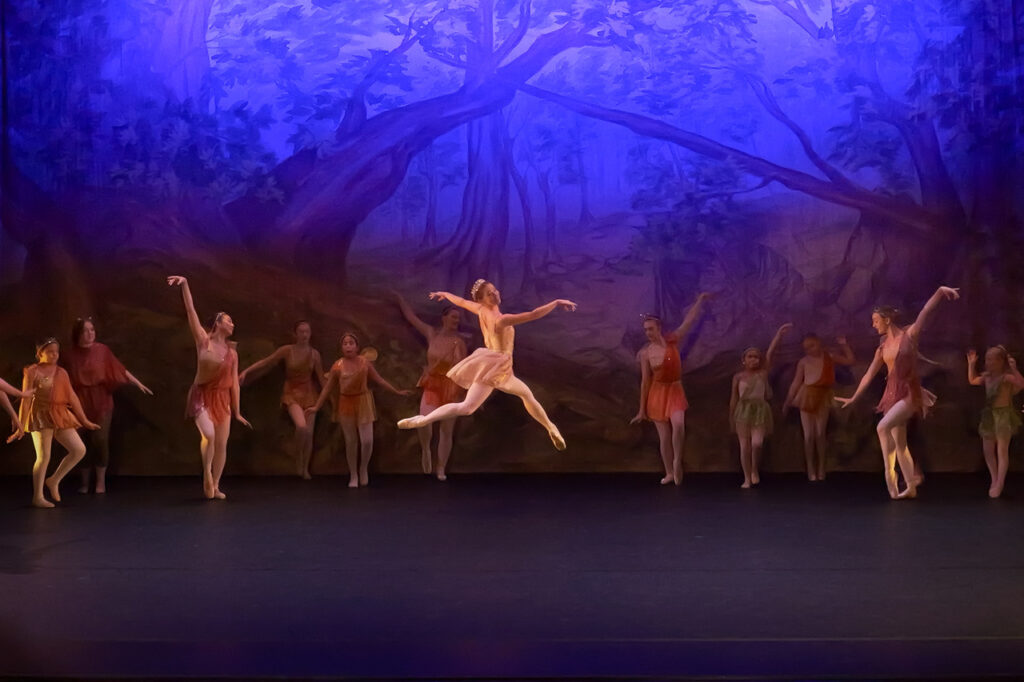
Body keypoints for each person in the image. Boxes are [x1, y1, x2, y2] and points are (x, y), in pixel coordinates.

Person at [396, 280, 576, 452]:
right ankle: (551, 427)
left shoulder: (481, 309)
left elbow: (462, 301)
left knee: (467, 407)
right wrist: (556, 302)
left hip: (488, 364)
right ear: (482, 300)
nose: (495, 294)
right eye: (490, 294)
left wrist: (444, 294)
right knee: (526, 395)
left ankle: (424, 419)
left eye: (494, 290)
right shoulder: (501, 320)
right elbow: (533, 314)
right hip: (499, 365)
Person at [835, 286, 960, 499]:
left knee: (882, 427)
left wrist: (939, 292)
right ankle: (910, 487)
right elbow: (869, 374)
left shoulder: (909, 335)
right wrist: (854, 397)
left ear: (886, 320)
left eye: (875, 321)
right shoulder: (882, 347)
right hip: (891, 394)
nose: (873, 325)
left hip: (909, 391)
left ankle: (890, 476)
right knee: (900, 445)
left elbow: (925, 313)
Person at [168, 275, 251, 500]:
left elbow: (234, 384)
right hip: (201, 395)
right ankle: (206, 472)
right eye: (228, 320)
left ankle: (215, 485)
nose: (232, 324)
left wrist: (237, 411)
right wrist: (185, 284)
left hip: (222, 398)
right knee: (209, 435)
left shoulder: (232, 354)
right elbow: (190, 311)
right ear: (218, 324)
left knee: (222, 444)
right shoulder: (203, 341)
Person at [306, 333, 412, 488]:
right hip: (346, 402)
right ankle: (353, 473)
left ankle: (363, 468)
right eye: (345, 343)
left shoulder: (365, 363)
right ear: (341, 347)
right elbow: (327, 389)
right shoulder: (338, 366)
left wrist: (396, 391)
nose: (348, 346)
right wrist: (316, 407)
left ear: (357, 347)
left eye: (351, 343)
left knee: (367, 441)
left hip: (363, 401)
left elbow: (379, 380)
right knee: (351, 441)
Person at [64, 317, 153, 494]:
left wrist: (138, 383)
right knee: (81, 443)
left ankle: (100, 482)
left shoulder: (102, 351)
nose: (90, 334)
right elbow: (59, 378)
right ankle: (83, 482)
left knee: (100, 440)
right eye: (85, 331)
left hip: (101, 401)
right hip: (79, 402)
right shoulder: (68, 355)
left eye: (92, 330)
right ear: (78, 334)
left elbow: (119, 370)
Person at [630, 292, 712, 485]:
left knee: (678, 424)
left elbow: (689, 321)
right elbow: (645, 382)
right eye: (646, 330)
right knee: (664, 438)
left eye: (651, 329)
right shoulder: (646, 353)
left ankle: (677, 461)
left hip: (675, 390)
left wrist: (699, 300)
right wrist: (642, 410)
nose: (648, 333)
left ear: (659, 328)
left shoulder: (672, 340)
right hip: (657, 394)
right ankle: (668, 472)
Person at [394, 291, 467, 481]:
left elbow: (465, 367)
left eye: (458, 318)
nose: (456, 320)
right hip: (433, 384)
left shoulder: (459, 342)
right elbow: (411, 318)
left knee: (446, 430)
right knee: (424, 420)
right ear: (444, 318)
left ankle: (441, 467)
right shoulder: (432, 333)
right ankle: (426, 448)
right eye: (453, 317)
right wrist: (399, 298)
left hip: (451, 386)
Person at [19, 339, 100, 507]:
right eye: (50, 352)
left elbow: (71, 396)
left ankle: (54, 480)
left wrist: (84, 420)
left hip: (60, 413)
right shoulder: (32, 371)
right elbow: (25, 400)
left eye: (57, 351)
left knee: (79, 450)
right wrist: (20, 424)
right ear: (40, 353)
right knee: (44, 456)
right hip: (40, 415)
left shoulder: (61, 372)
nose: (55, 355)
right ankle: (38, 497)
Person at [239, 321, 325, 479]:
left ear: (310, 333)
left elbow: (322, 380)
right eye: (301, 331)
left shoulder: (314, 354)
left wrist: (331, 398)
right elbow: (267, 361)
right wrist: (246, 371)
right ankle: (298, 457)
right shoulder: (287, 350)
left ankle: (305, 467)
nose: (304, 335)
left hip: (310, 394)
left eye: (307, 332)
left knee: (309, 434)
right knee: (301, 427)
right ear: (296, 334)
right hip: (291, 393)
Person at [782, 334, 855, 481]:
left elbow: (850, 361)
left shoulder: (829, 356)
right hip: (807, 396)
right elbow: (796, 382)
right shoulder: (803, 362)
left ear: (819, 343)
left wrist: (844, 345)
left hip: (823, 396)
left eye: (812, 345)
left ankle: (821, 467)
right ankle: (810, 468)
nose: (809, 350)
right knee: (809, 435)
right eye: (806, 348)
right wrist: (787, 402)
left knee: (820, 433)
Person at [730, 324, 793, 488]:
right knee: (744, 446)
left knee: (756, 443)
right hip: (742, 411)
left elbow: (770, 353)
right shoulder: (738, 377)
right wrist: (731, 417)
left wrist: (779, 335)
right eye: (750, 356)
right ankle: (746, 477)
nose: (753, 359)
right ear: (743, 360)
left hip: (759, 410)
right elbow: (734, 398)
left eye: (756, 357)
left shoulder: (762, 373)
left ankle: (754, 469)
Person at [966, 346, 1024, 498]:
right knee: (988, 449)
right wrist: (971, 364)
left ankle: (1000, 482)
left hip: (1003, 416)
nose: (988, 362)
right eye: (986, 359)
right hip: (989, 416)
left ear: (1000, 361)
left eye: (991, 359)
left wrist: (1014, 368)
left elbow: (1021, 384)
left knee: (1002, 450)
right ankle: (994, 478)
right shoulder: (986, 377)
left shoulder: (1006, 377)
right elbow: (972, 380)